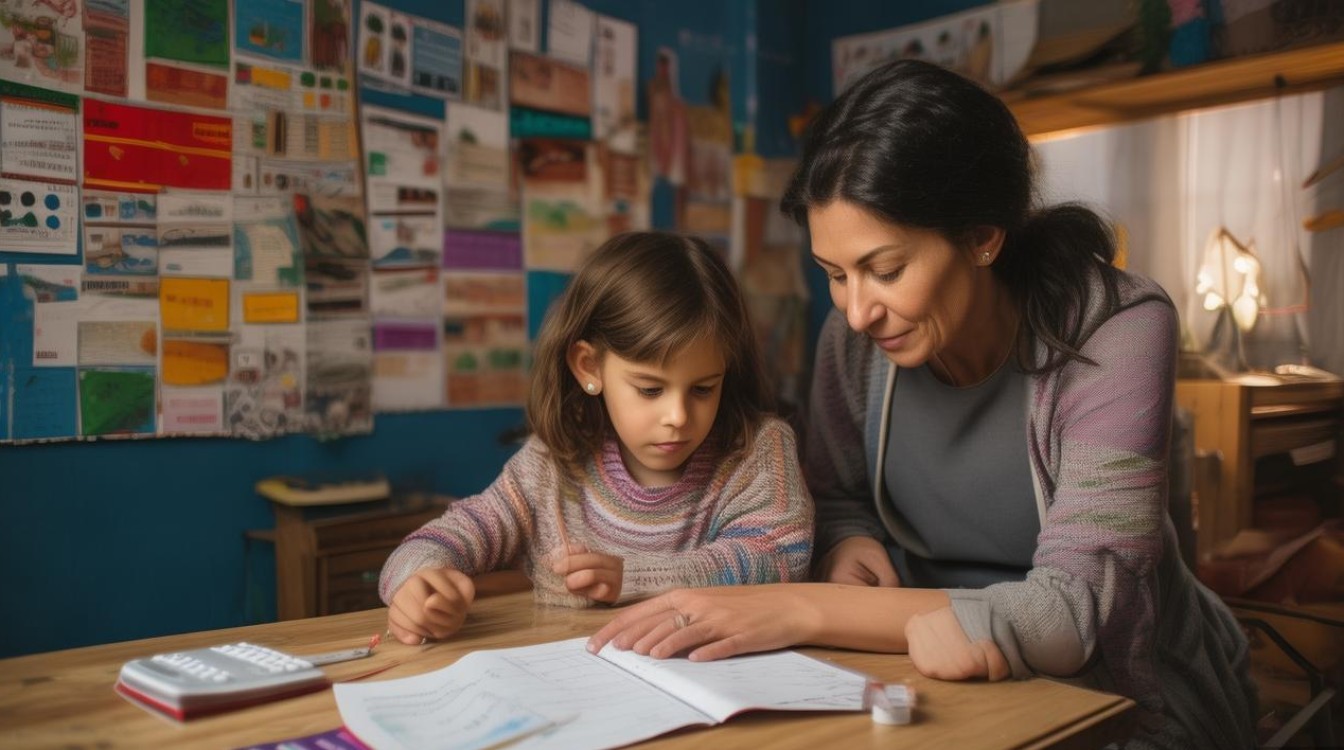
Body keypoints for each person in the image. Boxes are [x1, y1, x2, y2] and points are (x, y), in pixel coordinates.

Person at [589, 60, 1256, 750]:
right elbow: (839, 493)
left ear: (982, 236)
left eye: (885, 270)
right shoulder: (853, 346)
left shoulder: (1116, 330)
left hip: (1126, 701)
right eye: (833, 275)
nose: (855, 312)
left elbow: (1074, 610)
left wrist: (805, 607)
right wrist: (850, 542)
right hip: (930, 673)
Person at [381, 231, 813, 644]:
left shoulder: (758, 451)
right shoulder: (551, 464)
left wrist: (634, 577)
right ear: (588, 367)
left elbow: (779, 557)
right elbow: (455, 533)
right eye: (650, 389)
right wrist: (415, 580)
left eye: (703, 388)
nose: (678, 416)